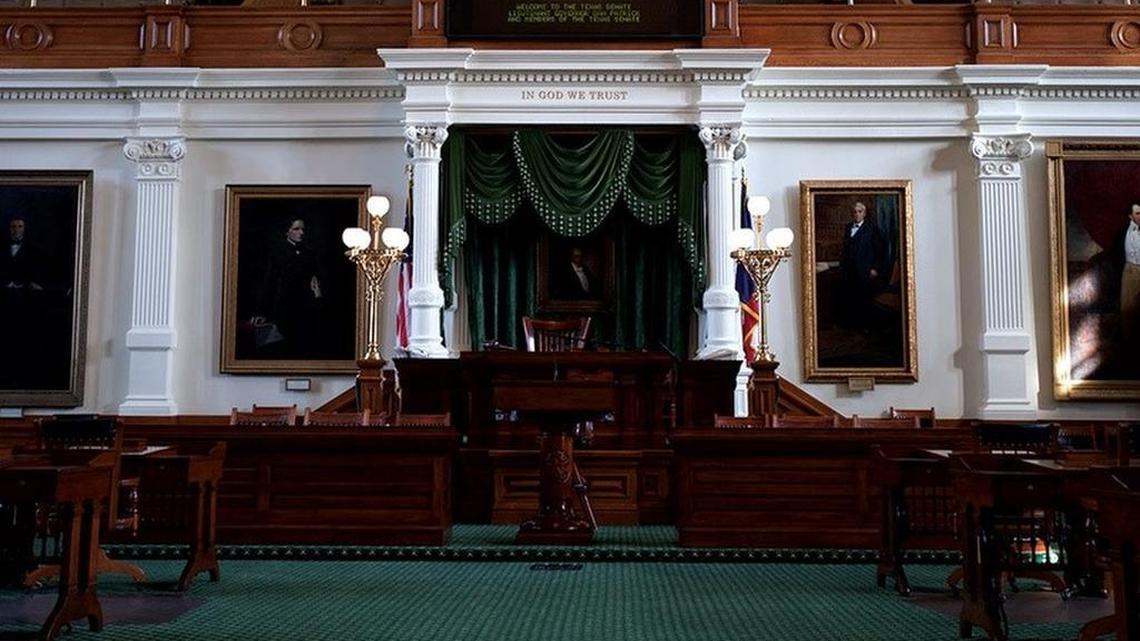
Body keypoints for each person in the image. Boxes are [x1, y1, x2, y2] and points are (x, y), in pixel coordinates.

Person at [249, 218, 325, 358]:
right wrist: (261, 311)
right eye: (296, 229)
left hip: (306, 306)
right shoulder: (277, 252)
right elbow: (269, 282)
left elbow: (316, 280)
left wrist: (317, 293)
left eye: (302, 229)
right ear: (287, 231)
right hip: (283, 306)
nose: (301, 233)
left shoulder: (309, 253)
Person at [839, 201, 888, 329]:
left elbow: (880, 250)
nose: (857, 214)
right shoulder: (848, 227)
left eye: (859, 212)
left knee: (865, 299)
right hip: (849, 270)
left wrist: (875, 268)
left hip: (865, 270)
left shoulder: (872, 229)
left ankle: (866, 328)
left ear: (864, 213)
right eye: (854, 212)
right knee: (851, 297)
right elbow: (846, 249)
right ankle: (853, 326)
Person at [1119, 203, 1140, 360]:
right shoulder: (1123, 233)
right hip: (1131, 271)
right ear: (1131, 216)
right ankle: (1129, 347)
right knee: (1128, 308)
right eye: (1138, 213)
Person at [1, 217, 44, 291]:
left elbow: (36, 268)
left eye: (20, 226)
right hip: (3, 288)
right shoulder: (2, 246)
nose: (16, 230)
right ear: (9, 228)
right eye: (13, 226)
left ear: (24, 228)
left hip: (26, 289)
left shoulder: (33, 248)